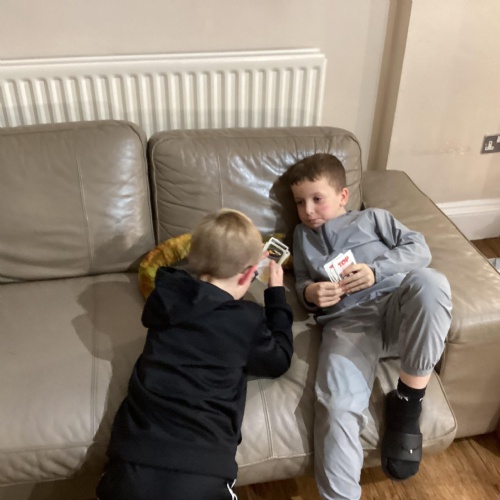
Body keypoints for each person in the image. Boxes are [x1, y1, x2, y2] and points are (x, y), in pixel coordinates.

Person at [96, 209, 294, 500]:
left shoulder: (165, 296)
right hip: (200, 471)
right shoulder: (246, 320)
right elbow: (279, 360)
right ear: (249, 274)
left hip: (130, 463)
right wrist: (276, 296)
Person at [287, 153, 452, 500]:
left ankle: (408, 402)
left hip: (396, 306)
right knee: (336, 406)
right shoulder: (300, 236)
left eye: (317, 199)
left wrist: (377, 270)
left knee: (431, 283)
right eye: (300, 202)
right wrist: (310, 293)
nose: (308, 210)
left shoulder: (374, 218)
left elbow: (419, 249)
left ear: (343, 196)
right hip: (348, 325)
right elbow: (301, 281)